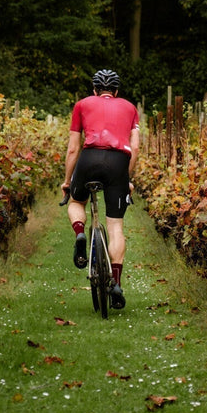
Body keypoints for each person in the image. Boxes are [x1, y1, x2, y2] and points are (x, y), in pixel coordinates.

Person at [61, 69, 140, 309]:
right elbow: (135, 148)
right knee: (115, 226)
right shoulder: (130, 108)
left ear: (95, 90)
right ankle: (115, 283)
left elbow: (74, 148)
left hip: (89, 158)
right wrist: (127, 177)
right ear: (116, 91)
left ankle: (80, 234)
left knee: (76, 202)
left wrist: (67, 181)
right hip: (118, 162)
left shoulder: (82, 105)